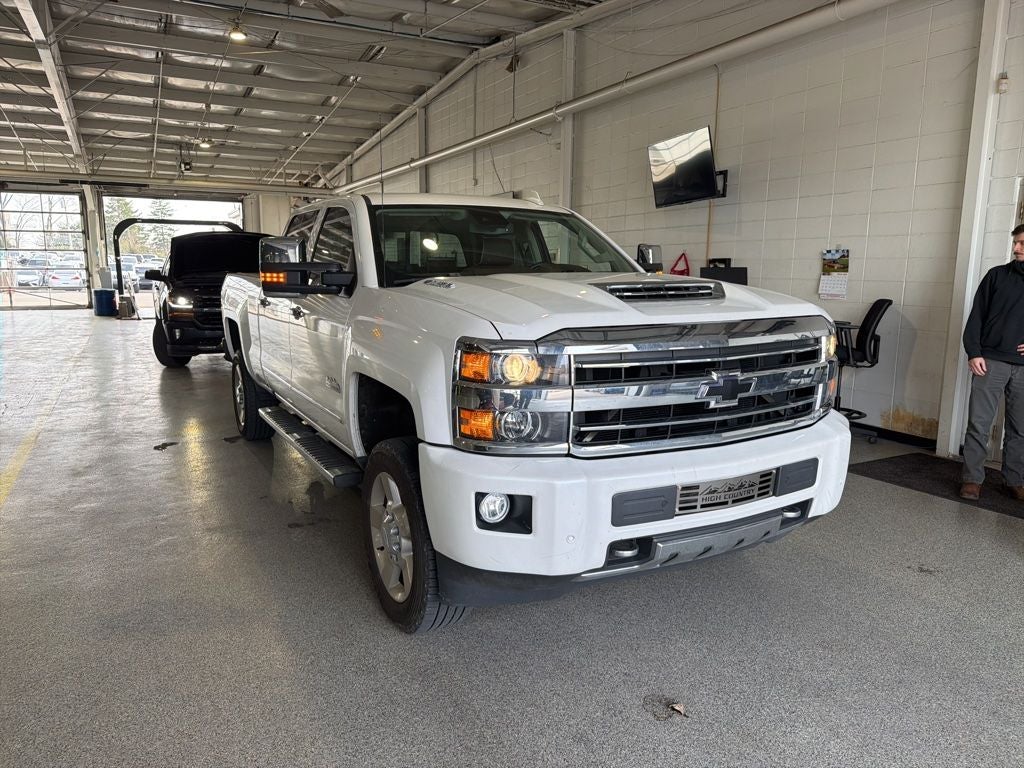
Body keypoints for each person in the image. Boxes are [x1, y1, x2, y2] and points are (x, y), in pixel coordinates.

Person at [960, 223, 1024, 500]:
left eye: (1022, 243)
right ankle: (972, 479)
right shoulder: (996, 276)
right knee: (979, 423)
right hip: (990, 361)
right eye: (1016, 243)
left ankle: (1014, 480)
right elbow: (976, 316)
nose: (1016, 248)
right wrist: (974, 352)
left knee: (1020, 428)